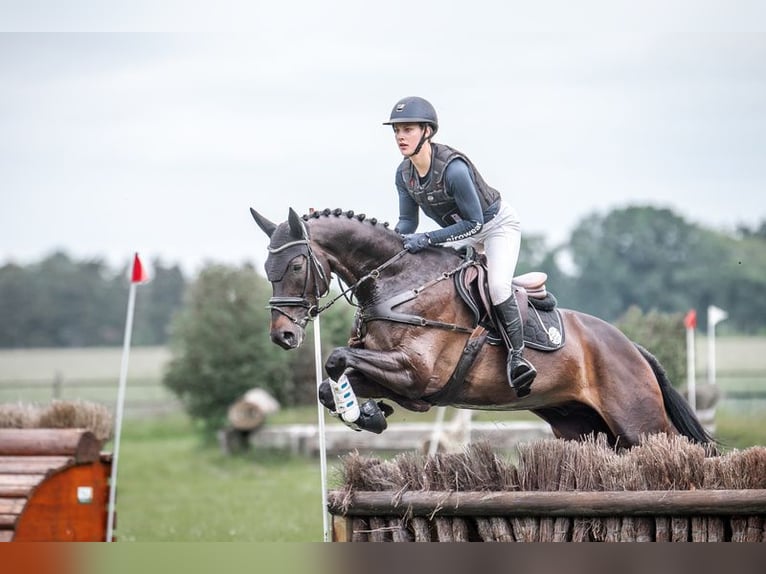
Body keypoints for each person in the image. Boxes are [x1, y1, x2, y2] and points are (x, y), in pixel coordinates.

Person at [384, 96, 536, 396]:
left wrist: (428, 239)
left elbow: (474, 223)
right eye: (397, 130)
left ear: (427, 132)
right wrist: (386, 243)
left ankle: (518, 358)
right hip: (461, 232)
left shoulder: (452, 170)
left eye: (408, 129)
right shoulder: (404, 174)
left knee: (497, 288)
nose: (401, 136)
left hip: (494, 227)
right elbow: (406, 224)